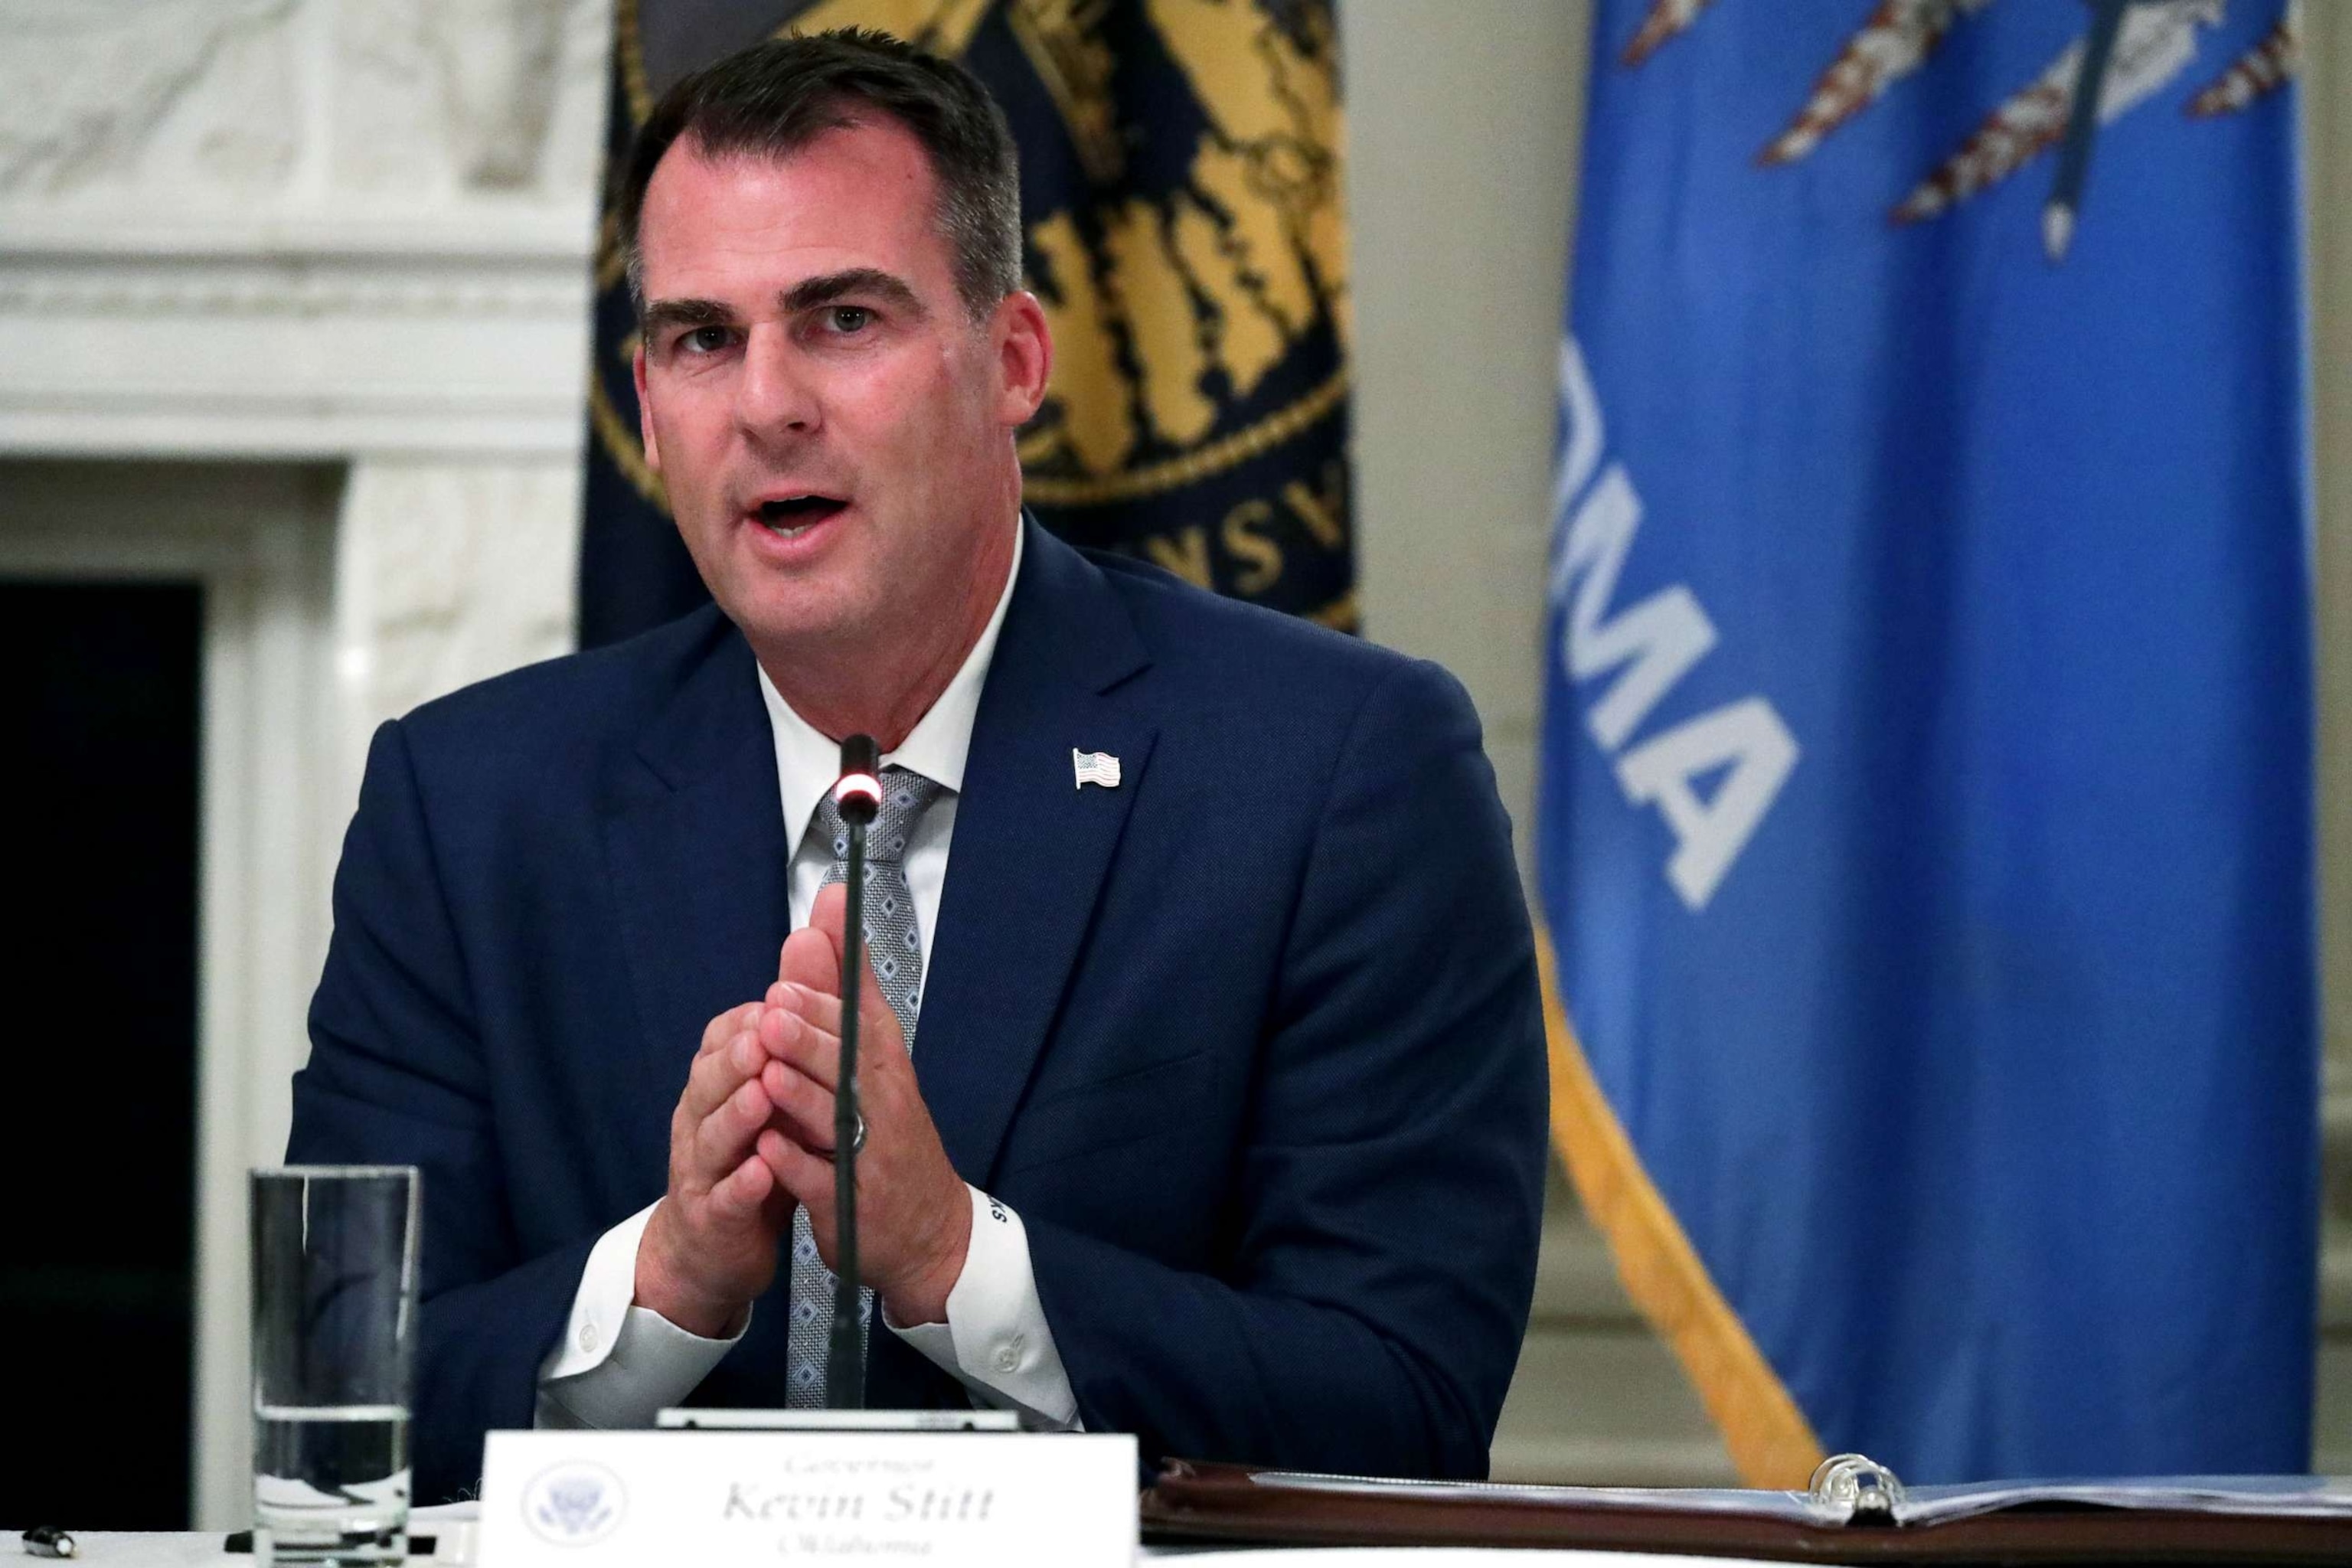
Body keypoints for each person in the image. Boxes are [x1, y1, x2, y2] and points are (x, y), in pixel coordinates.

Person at [289, 27, 1547, 1505]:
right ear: (647, 407)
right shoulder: (469, 804)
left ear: (1012, 361)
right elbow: (333, 1402)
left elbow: (1405, 1406)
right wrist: (666, 1281)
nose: (766, 405)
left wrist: (958, 1259)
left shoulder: (1335, 770)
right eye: (703, 338)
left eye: (840, 320)